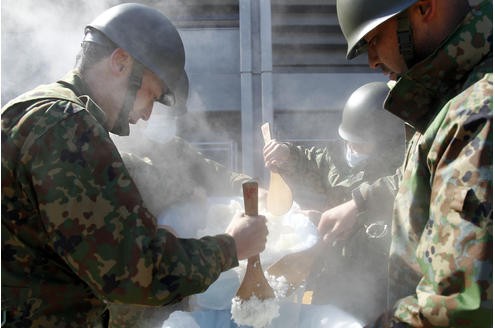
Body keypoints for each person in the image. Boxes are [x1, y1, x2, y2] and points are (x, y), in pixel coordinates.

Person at [1, 3, 268, 327]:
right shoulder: (68, 126)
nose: (147, 114)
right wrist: (232, 247)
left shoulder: (42, 112)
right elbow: (134, 271)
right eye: (151, 95)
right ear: (120, 62)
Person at [320, 0, 492, 326]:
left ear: (425, 8)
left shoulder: (479, 112)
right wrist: (361, 201)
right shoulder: (451, 93)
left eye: (373, 40)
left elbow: (460, 307)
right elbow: (431, 175)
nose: (372, 61)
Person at [263, 81, 406, 323]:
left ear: (385, 143)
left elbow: (400, 196)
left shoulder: (401, 172)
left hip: (378, 291)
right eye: (349, 140)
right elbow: (312, 161)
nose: (351, 147)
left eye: (360, 143)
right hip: (330, 277)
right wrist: (287, 155)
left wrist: (358, 208)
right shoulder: (338, 155)